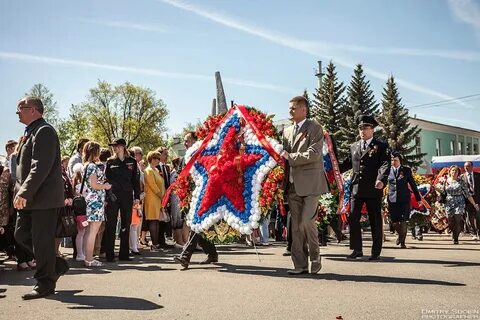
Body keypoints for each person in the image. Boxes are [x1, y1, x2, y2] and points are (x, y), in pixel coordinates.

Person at [13, 96, 69, 300]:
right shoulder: (29, 132)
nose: (17, 112)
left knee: (41, 241)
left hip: (42, 198)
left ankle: (45, 282)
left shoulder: (44, 131)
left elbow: (40, 166)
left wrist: (24, 192)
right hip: (30, 198)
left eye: (21, 108)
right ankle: (56, 264)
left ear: (35, 110)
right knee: (21, 235)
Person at [281, 95, 328, 275]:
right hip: (292, 185)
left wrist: (289, 157)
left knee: (307, 220)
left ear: (304, 109)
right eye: (289, 108)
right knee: (296, 227)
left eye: (293, 108)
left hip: (310, 185)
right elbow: (282, 156)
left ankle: (315, 257)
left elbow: (314, 154)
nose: (290, 111)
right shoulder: (286, 131)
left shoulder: (315, 128)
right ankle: (299, 265)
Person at [342, 115, 390, 261]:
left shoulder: (381, 146)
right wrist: (331, 166)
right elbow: (346, 164)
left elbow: (385, 164)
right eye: (360, 128)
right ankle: (357, 249)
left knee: (375, 220)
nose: (362, 131)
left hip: (373, 188)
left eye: (366, 128)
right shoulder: (354, 146)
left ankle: (376, 251)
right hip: (356, 189)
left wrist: (381, 179)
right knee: (353, 219)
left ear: (372, 130)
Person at [104, 138, 140, 262]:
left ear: (123, 147)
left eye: (117, 146)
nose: (115, 148)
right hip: (113, 196)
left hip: (127, 196)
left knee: (126, 224)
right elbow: (105, 179)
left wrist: (137, 197)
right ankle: (109, 254)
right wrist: (107, 195)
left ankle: (124, 254)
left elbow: (136, 181)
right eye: (113, 146)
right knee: (111, 224)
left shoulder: (132, 162)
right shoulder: (110, 162)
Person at [82, 141, 111, 266]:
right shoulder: (92, 166)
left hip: (91, 199)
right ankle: (89, 259)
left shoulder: (86, 165)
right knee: (93, 231)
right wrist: (105, 185)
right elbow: (94, 185)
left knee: (89, 231)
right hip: (96, 201)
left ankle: (87, 257)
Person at [387, 152, 421, 248]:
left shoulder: (406, 170)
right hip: (392, 199)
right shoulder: (387, 170)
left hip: (404, 199)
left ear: (400, 161)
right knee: (394, 221)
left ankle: (402, 242)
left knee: (403, 220)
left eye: (395, 160)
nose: (393, 162)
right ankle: (401, 236)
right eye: (392, 160)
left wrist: (418, 198)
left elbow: (413, 184)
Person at [443, 165, 479, 244]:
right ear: (450, 172)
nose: (454, 172)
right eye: (452, 170)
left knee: (457, 218)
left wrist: (474, 204)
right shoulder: (446, 181)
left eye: (456, 171)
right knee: (450, 220)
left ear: (458, 172)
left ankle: (456, 237)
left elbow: (467, 194)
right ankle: (453, 232)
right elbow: (443, 192)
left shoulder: (461, 181)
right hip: (449, 202)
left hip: (459, 202)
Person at [143, 151, 166, 251]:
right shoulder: (148, 170)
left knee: (156, 221)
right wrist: (161, 196)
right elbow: (153, 185)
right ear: (151, 159)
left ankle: (156, 244)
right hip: (152, 198)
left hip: (158, 198)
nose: (158, 160)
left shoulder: (156, 170)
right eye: (156, 158)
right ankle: (155, 244)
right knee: (153, 221)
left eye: (158, 158)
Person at [461, 161, 480, 240]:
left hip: (478, 199)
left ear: (472, 167)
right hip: (467, 201)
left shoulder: (478, 175)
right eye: (465, 166)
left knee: (478, 217)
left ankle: (479, 232)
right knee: (469, 217)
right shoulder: (461, 177)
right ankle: (473, 233)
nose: (466, 168)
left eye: (468, 166)